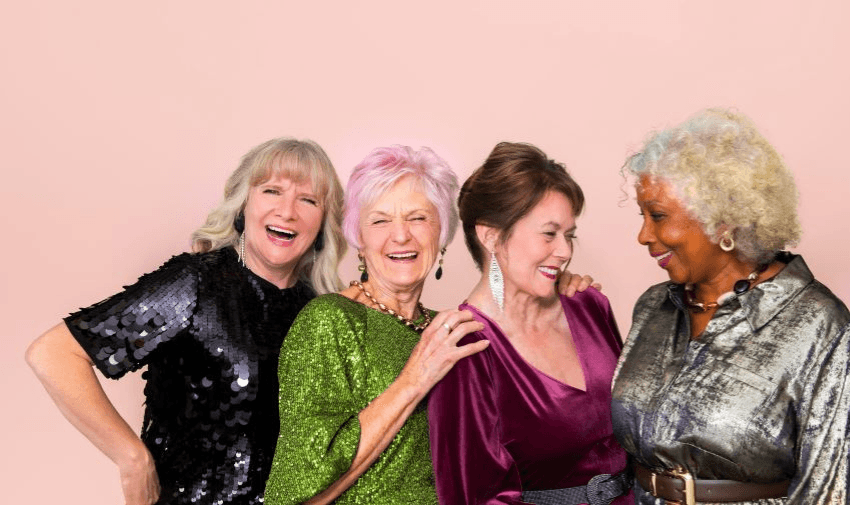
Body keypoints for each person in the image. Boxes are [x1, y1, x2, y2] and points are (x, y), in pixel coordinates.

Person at [25, 138, 346, 505]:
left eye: (308, 200)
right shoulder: (195, 283)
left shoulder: (321, 311)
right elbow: (53, 354)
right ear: (243, 205)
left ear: (323, 222)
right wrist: (132, 458)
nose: (288, 211)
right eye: (272, 191)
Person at [611, 109, 850, 504]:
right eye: (642, 216)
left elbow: (829, 490)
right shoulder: (653, 309)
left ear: (722, 221)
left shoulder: (821, 327)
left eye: (658, 216)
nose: (643, 235)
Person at [428, 142, 633, 505]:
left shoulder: (590, 306)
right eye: (549, 234)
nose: (566, 252)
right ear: (491, 235)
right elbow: (475, 495)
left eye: (569, 235)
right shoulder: (465, 345)